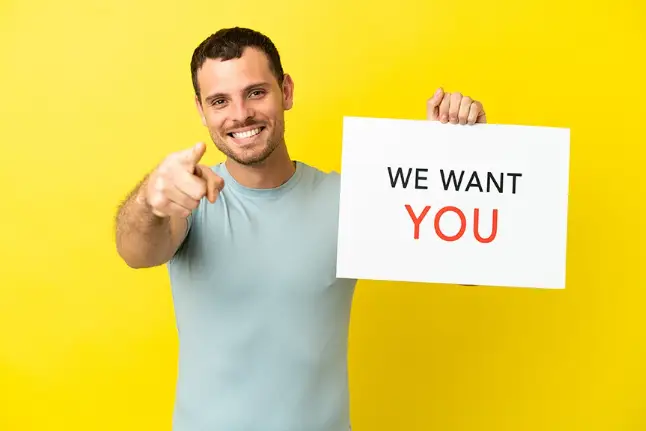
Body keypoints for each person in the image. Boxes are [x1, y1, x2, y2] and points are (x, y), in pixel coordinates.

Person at [114, 26, 486, 431]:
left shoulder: (350, 201)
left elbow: (465, 270)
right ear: (202, 111)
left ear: (285, 91)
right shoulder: (189, 198)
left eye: (255, 92)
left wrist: (454, 156)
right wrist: (151, 199)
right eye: (220, 101)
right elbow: (136, 252)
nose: (240, 114)